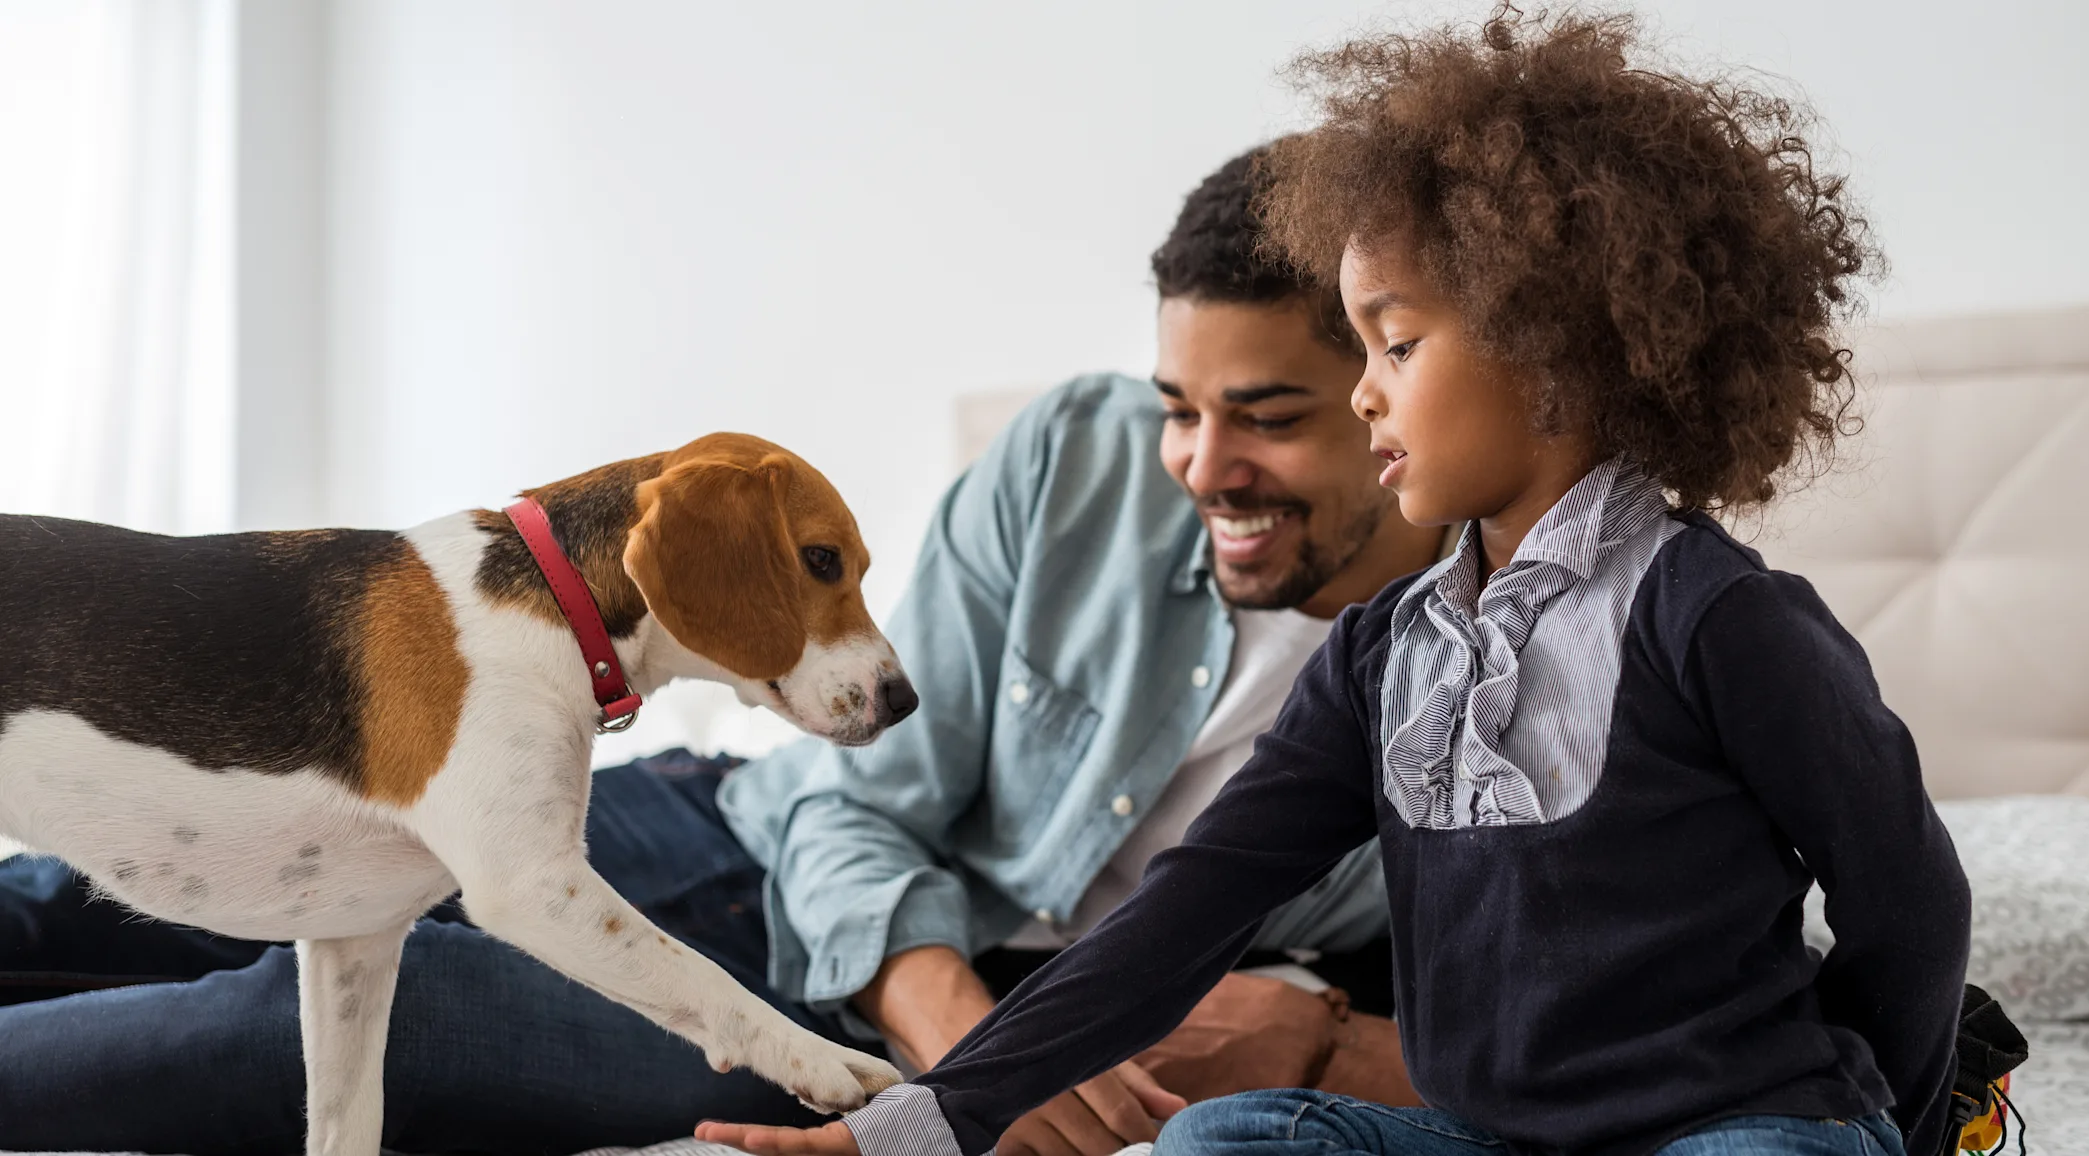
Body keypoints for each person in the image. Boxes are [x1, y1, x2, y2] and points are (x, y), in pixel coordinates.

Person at [696, 10, 1972, 1156]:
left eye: (1396, 343)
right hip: (1494, 1139)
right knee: (1220, 1143)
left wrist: (1876, 1124)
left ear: (1557, 353)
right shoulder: (1383, 653)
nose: (1364, 391)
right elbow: (1182, 916)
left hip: (1733, 1129)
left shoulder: (1718, 617)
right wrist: (912, 1132)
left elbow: (1908, 899)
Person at [0, 145, 1444, 1156]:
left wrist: (1309, 1037)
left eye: (1269, 416)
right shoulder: (1078, 454)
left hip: (896, 993)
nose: (1198, 465)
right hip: (757, 841)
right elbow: (864, 798)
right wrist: (944, 1025)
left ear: (1387, 384)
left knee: (366, 1001)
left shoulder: (1481, 662)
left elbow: (1554, 1017)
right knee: (87, 885)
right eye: (1180, 407)